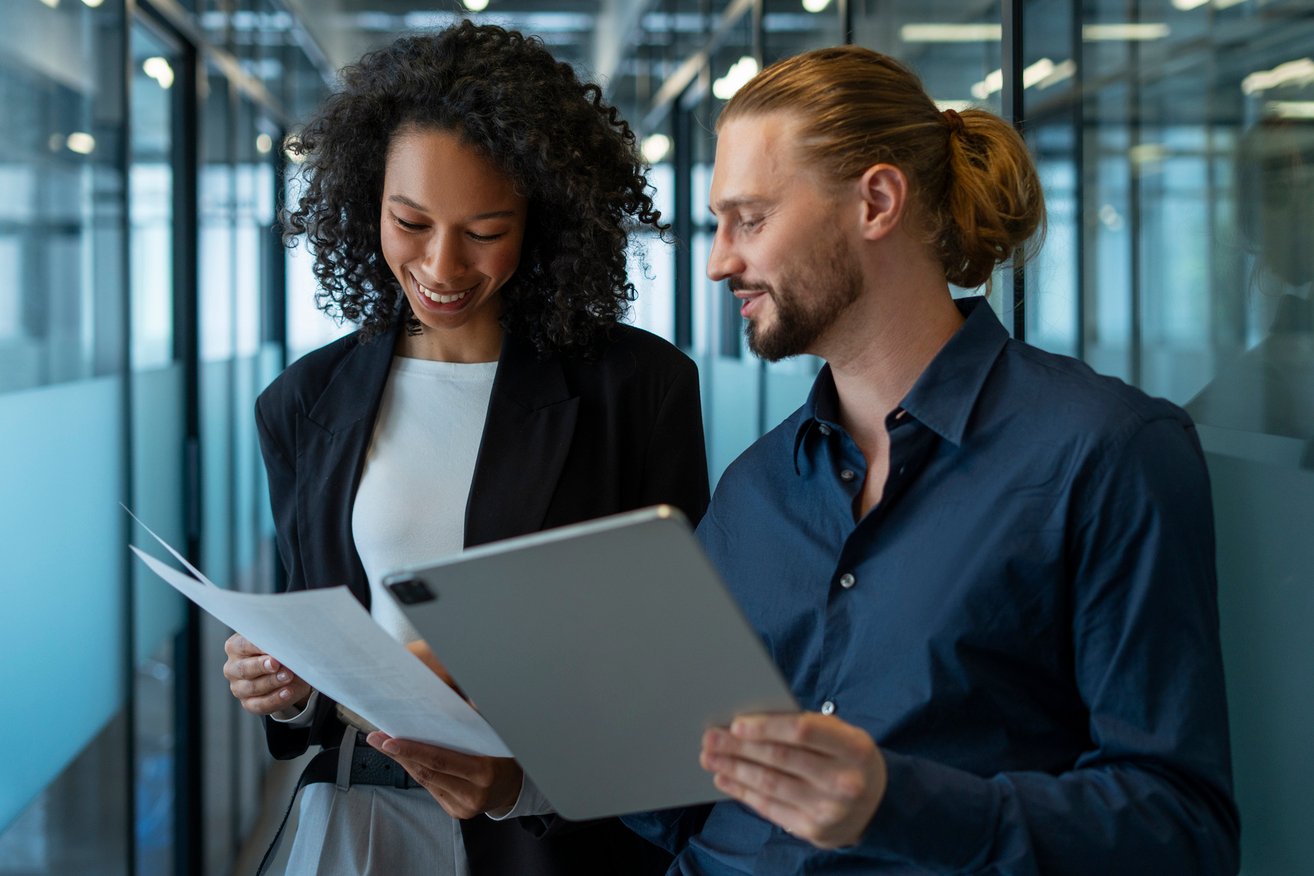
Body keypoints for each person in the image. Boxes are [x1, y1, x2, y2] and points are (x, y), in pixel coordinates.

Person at [622, 45, 1241, 873]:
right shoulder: (756, 489)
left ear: (876, 202)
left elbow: (1183, 827)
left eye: (753, 218)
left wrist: (897, 804)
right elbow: (678, 800)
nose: (718, 259)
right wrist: (520, 752)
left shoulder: (1106, 453)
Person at [220, 22, 708, 876]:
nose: (442, 265)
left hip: (547, 837)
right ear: (367, 200)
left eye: (485, 230)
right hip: (357, 822)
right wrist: (287, 691)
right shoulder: (304, 402)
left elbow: (670, 675)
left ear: (545, 218)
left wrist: (519, 782)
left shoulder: (638, 389)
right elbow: (319, 628)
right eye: (410, 221)